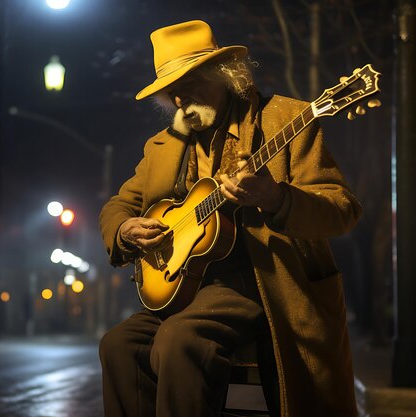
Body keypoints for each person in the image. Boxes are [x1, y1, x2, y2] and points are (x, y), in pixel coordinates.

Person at [98, 20, 362, 417]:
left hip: (266, 287)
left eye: (189, 86)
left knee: (179, 340)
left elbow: (342, 210)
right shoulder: (163, 147)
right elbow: (118, 205)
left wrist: (276, 198)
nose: (181, 103)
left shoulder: (288, 119)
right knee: (118, 344)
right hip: (187, 290)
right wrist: (123, 229)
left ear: (224, 75)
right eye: (173, 94)